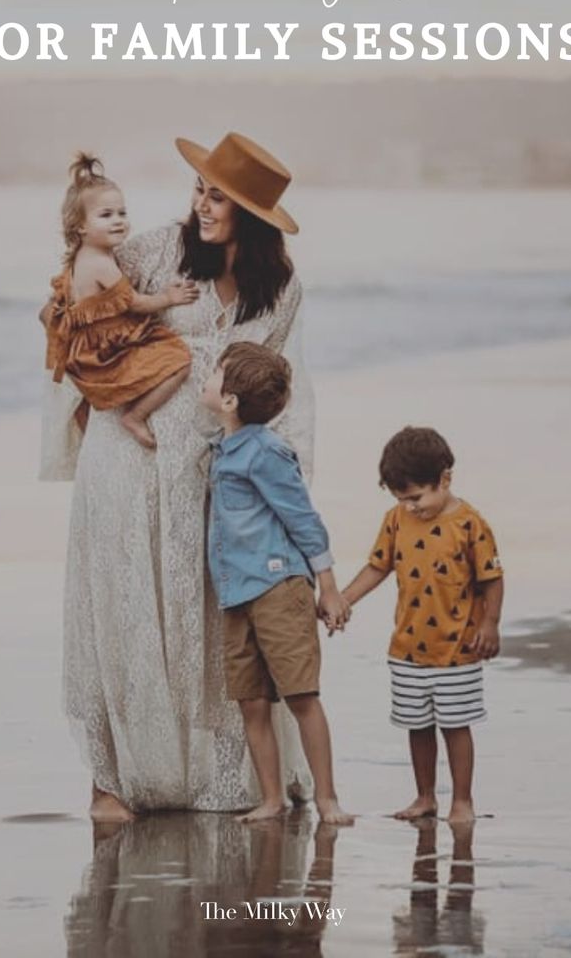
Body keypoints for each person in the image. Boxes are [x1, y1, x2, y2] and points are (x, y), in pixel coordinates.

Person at [41, 132, 317, 821]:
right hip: (125, 457)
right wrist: (97, 398)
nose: (201, 205)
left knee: (204, 616)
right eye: (200, 189)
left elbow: (278, 386)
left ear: (252, 214)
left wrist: (278, 484)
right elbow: (72, 307)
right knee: (126, 610)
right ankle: (112, 783)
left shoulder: (279, 288)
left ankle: (222, 779)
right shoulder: (152, 250)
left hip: (214, 471)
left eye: (218, 196)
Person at [201, 341, 353, 824]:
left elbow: (303, 518)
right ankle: (271, 798)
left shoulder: (265, 451)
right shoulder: (222, 447)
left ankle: (328, 798)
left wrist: (327, 587)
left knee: (301, 695)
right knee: (250, 700)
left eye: (214, 374)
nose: (206, 379)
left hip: (277, 586)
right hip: (236, 592)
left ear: (229, 401)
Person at [342, 427, 504, 823]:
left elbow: (491, 578)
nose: (410, 507)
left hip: (458, 650)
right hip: (408, 647)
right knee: (417, 726)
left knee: (455, 725)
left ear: (445, 479)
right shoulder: (396, 520)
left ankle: (462, 800)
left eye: (416, 497)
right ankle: (425, 796)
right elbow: (378, 565)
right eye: (402, 499)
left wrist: (490, 624)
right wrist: (343, 599)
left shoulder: (470, 524)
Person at [41, 153, 194, 449]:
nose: (118, 222)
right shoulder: (100, 262)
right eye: (106, 215)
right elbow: (134, 303)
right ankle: (136, 416)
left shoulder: (79, 258)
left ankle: (91, 424)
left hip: (83, 346)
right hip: (103, 349)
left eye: (122, 213)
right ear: (80, 227)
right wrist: (168, 297)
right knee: (178, 362)